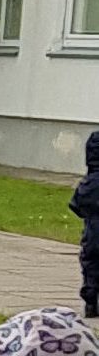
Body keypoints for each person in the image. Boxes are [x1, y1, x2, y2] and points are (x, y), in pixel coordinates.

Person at [71, 131, 99, 318]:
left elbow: (76, 204)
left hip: (93, 233)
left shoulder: (89, 183)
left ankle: (90, 301)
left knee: (91, 266)